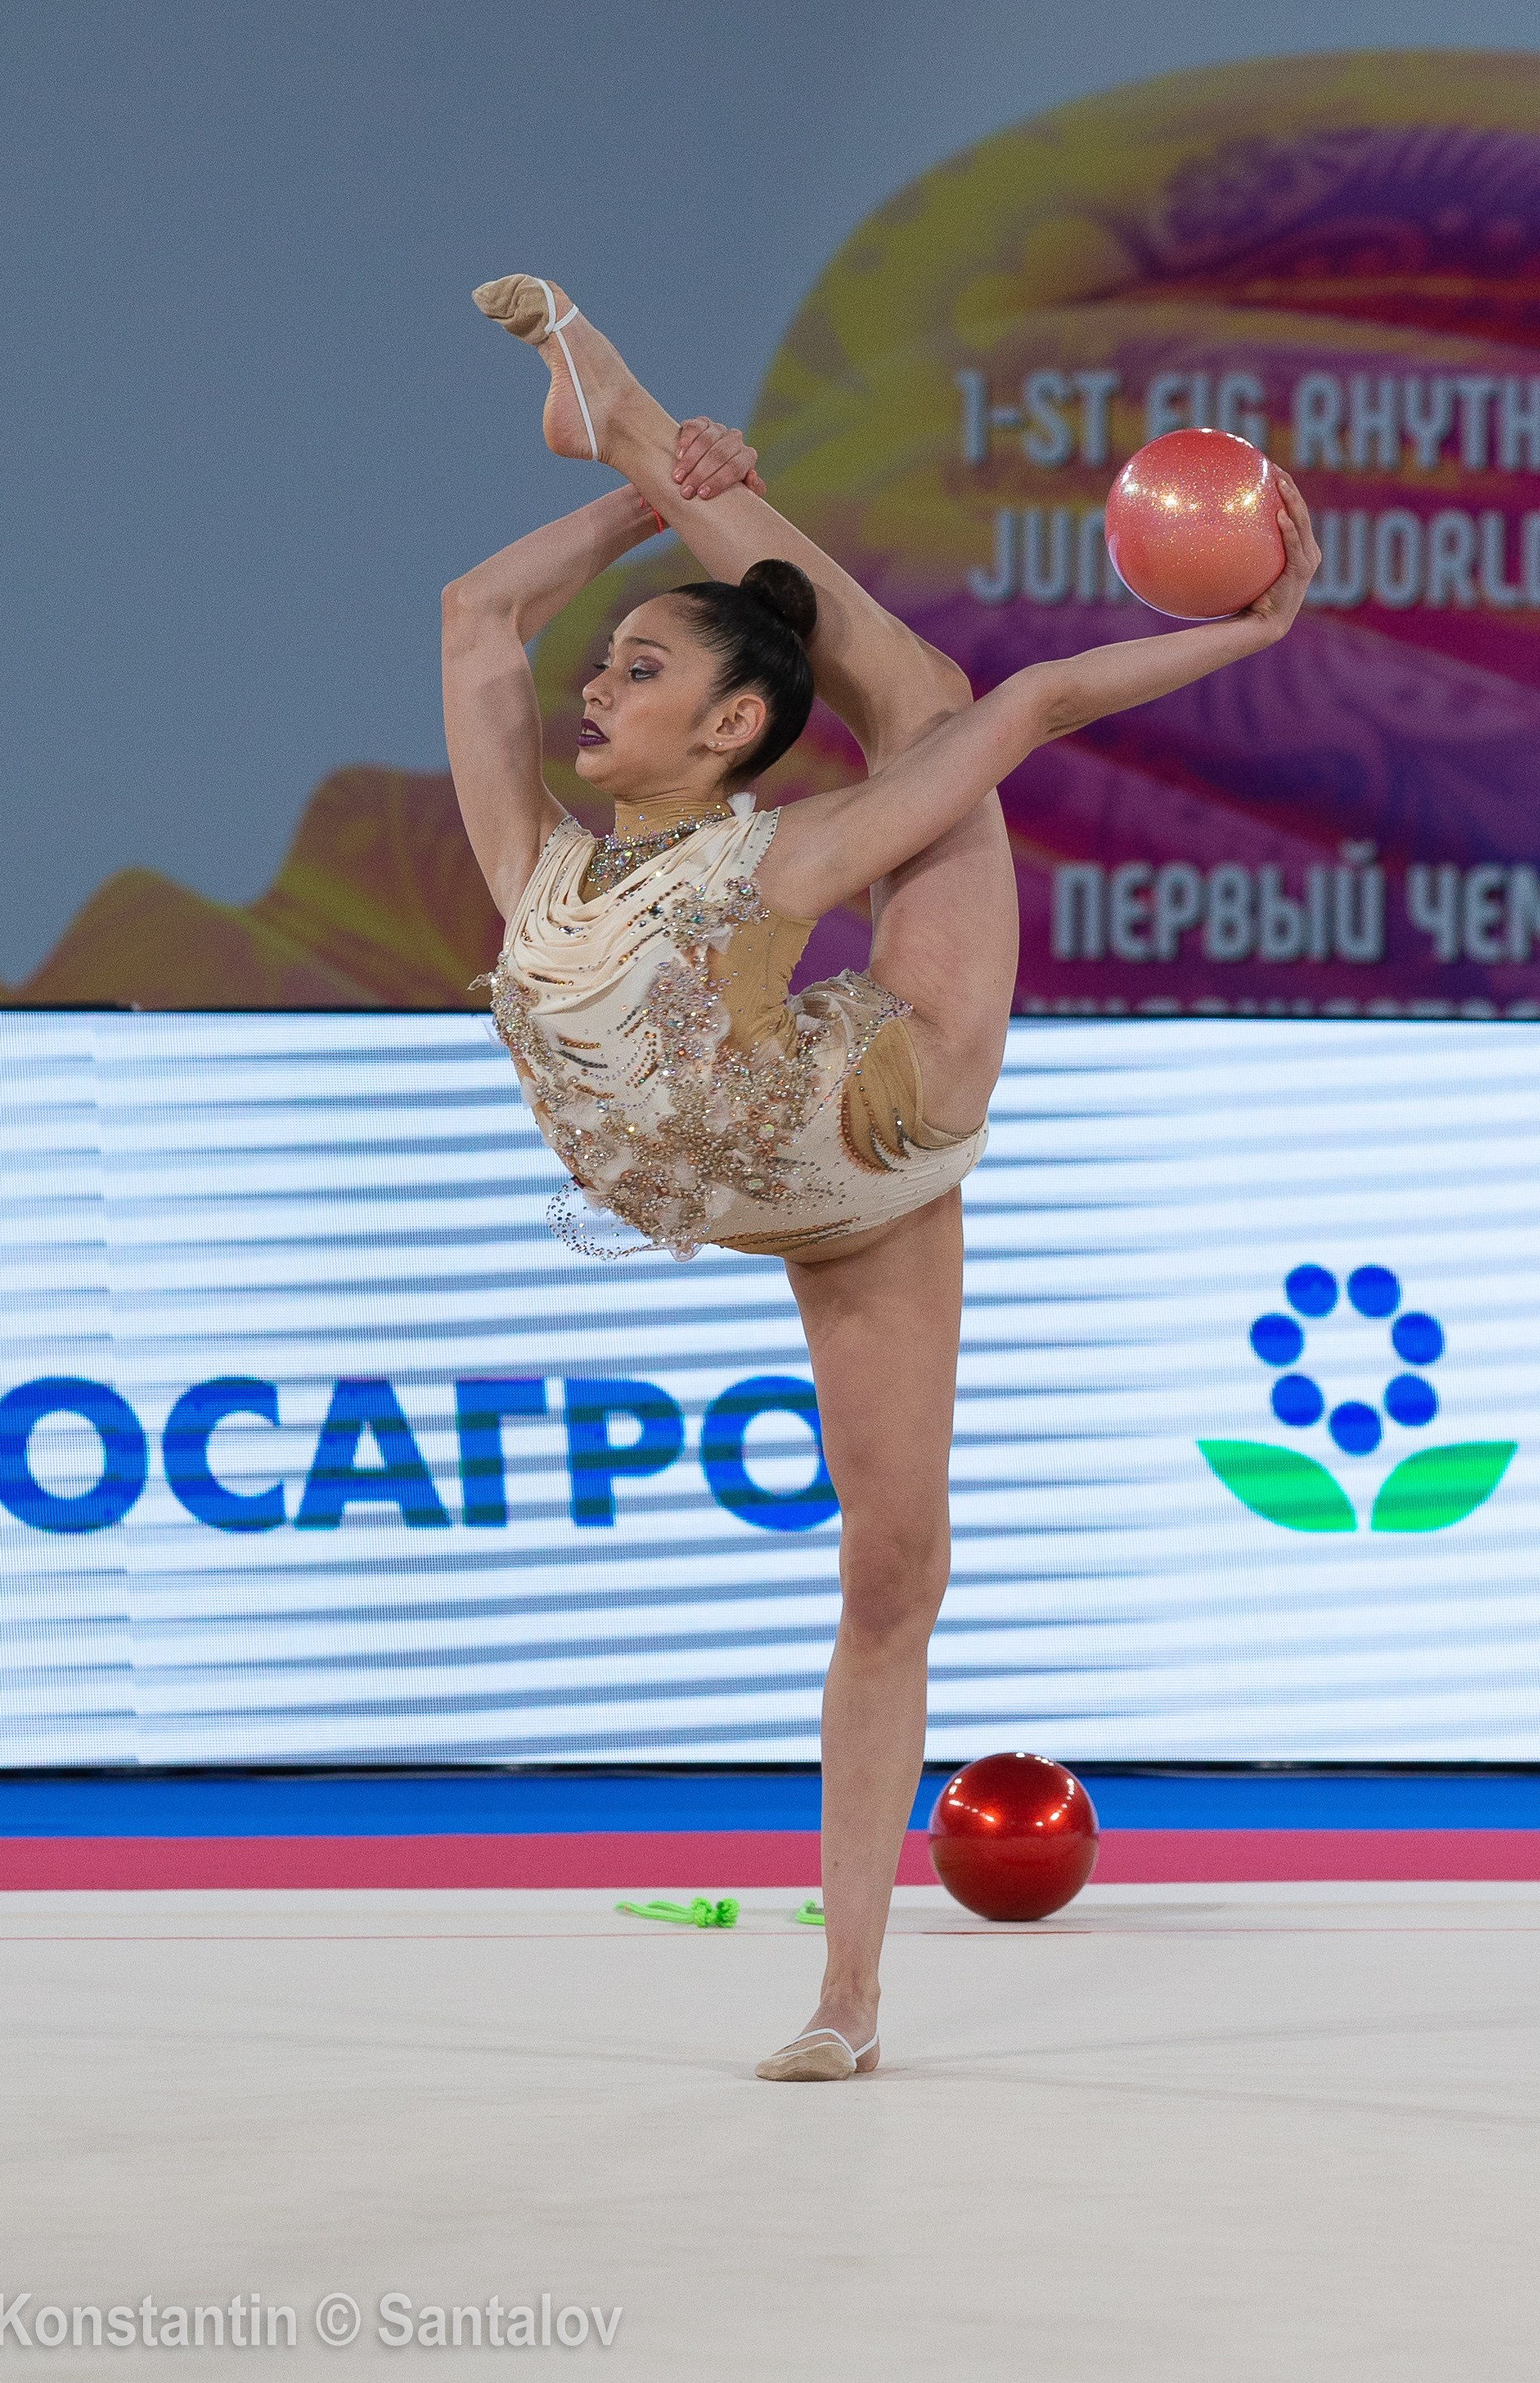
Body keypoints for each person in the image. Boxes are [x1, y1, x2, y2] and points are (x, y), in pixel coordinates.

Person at [442, 274, 1321, 2081]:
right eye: (605, 663)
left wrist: (1258, 634)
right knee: (911, 687)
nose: (591, 682)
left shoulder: (778, 860)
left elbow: (1042, 701)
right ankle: (620, 418)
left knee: (893, 1571)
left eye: (641, 671)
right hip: (792, 1197)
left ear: (731, 734)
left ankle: (845, 1996)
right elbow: (477, 615)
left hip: (894, 1115)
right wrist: (636, 496)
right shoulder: (534, 869)